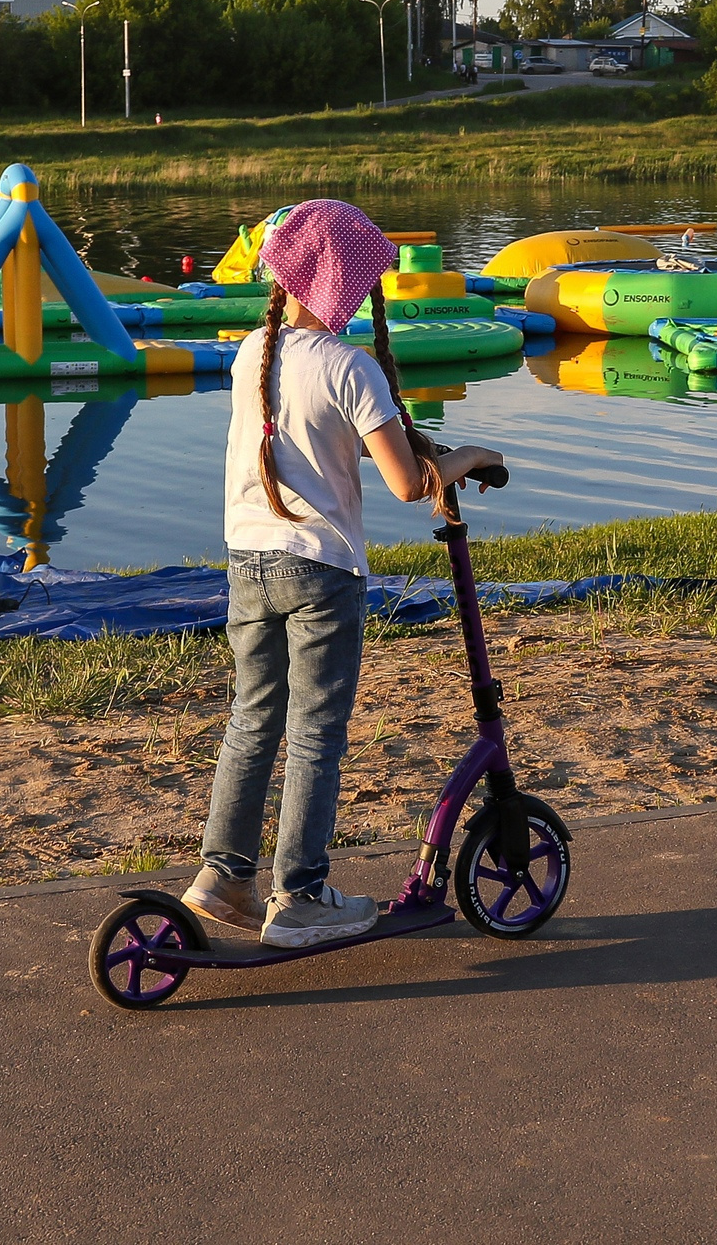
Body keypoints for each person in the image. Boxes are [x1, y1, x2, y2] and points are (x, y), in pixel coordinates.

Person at [182, 199, 504, 948]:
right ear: (343, 284)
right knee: (317, 731)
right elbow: (408, 482)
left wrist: (389, 437)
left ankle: (223, 875)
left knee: (253, 720)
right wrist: (470, 457)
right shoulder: (350, 366)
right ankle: (299, 893)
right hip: (321, 573)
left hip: (247, 563)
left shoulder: (252, 352)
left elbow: (306, 437)